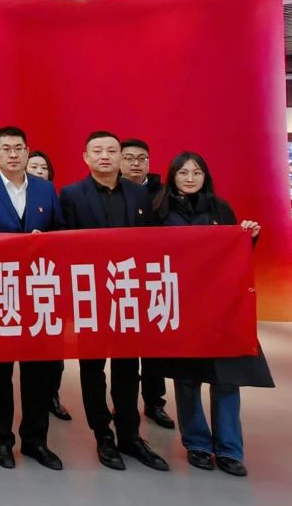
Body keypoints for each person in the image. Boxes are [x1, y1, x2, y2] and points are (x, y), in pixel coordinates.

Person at [147, 152, 272, 477]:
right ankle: (197, 444)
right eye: (183, 172)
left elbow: (236, 255)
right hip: (181, 305)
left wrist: (249, 236)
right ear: (173, 176)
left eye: (196, 172)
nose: (190, 178)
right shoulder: (159, 210)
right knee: (186, 379)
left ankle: (229, 449)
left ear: (205, 176)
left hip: (220, 307)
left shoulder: (220, 208)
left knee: (227, 379)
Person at [59, 131, 168, 472]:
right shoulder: (71, 195)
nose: (105, 156)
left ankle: (130, 435)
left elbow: (153, 243)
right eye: (97, 151)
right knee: (92, 368)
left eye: (111, 150)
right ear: (86, 157)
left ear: (120, 156)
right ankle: (102, 434)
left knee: (127, 367)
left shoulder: (138, 193)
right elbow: (63, 246)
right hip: (90, 296)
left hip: (128, 293)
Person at [0, 127, 64, 471]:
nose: (13, 154)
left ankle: (36, 440)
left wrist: (46, 241)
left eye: (19, 148)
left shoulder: (45, 189)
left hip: (38, 292)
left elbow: (61, 233)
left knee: (38, 371)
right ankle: (2, 441)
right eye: (6, 149)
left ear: (28, 152)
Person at [120, 138, 174, 431]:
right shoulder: (110, 190)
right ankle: (123, 402)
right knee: (124, 350)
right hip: (119, 278)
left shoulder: (165, 193)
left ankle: (155, 403)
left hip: (154, 277)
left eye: (141, 158)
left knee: (154, 347)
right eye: (129, 158)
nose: (135, 163)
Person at [26, 150, 72, 423]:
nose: (38, 171)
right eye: (34, 166)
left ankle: (50, 395)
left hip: (47, 282)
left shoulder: (51, 195)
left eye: (43, 167)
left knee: (51, 349)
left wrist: (48, 240)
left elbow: (63, 231)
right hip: (9, 284)